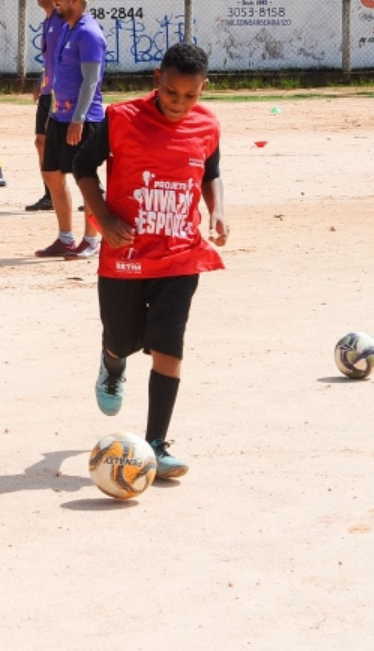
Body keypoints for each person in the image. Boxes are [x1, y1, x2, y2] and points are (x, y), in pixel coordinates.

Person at [73, 42, 229, 480]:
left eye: (191, 96)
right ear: (156, 80)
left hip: (180, 255)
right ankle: (112, 361)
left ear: (204, 89)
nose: (180, 104)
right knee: (122, 338)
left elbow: (211, 171)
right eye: (171, 93)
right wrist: (103, 217)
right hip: (124, 254)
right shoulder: (120, 118)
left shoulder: (208, 123)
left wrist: (216, 210)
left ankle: (156, 444)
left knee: (169, 346)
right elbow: (83, 165)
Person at [34, 0, 104, 260]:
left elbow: (90, 81)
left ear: (75, 1)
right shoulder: (67, 29)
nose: (56, 2)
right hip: (60, 114)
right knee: (51, 172)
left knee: (85, 178)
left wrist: (78, 119)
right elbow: (60, 73)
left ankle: (92, 239)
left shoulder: (88, 33)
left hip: (83, 119)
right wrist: (53, 114)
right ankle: (65, 238)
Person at [24, 0, 63, 213]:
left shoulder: (59, 21)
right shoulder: (48, 21)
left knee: (55, 141)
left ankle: (95, 187)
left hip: (59, 92)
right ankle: (49, 194)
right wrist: (41, 80)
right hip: (49, 89)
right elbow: (50, 60)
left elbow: (63, 59)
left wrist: (56, 88)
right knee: (41, 141)